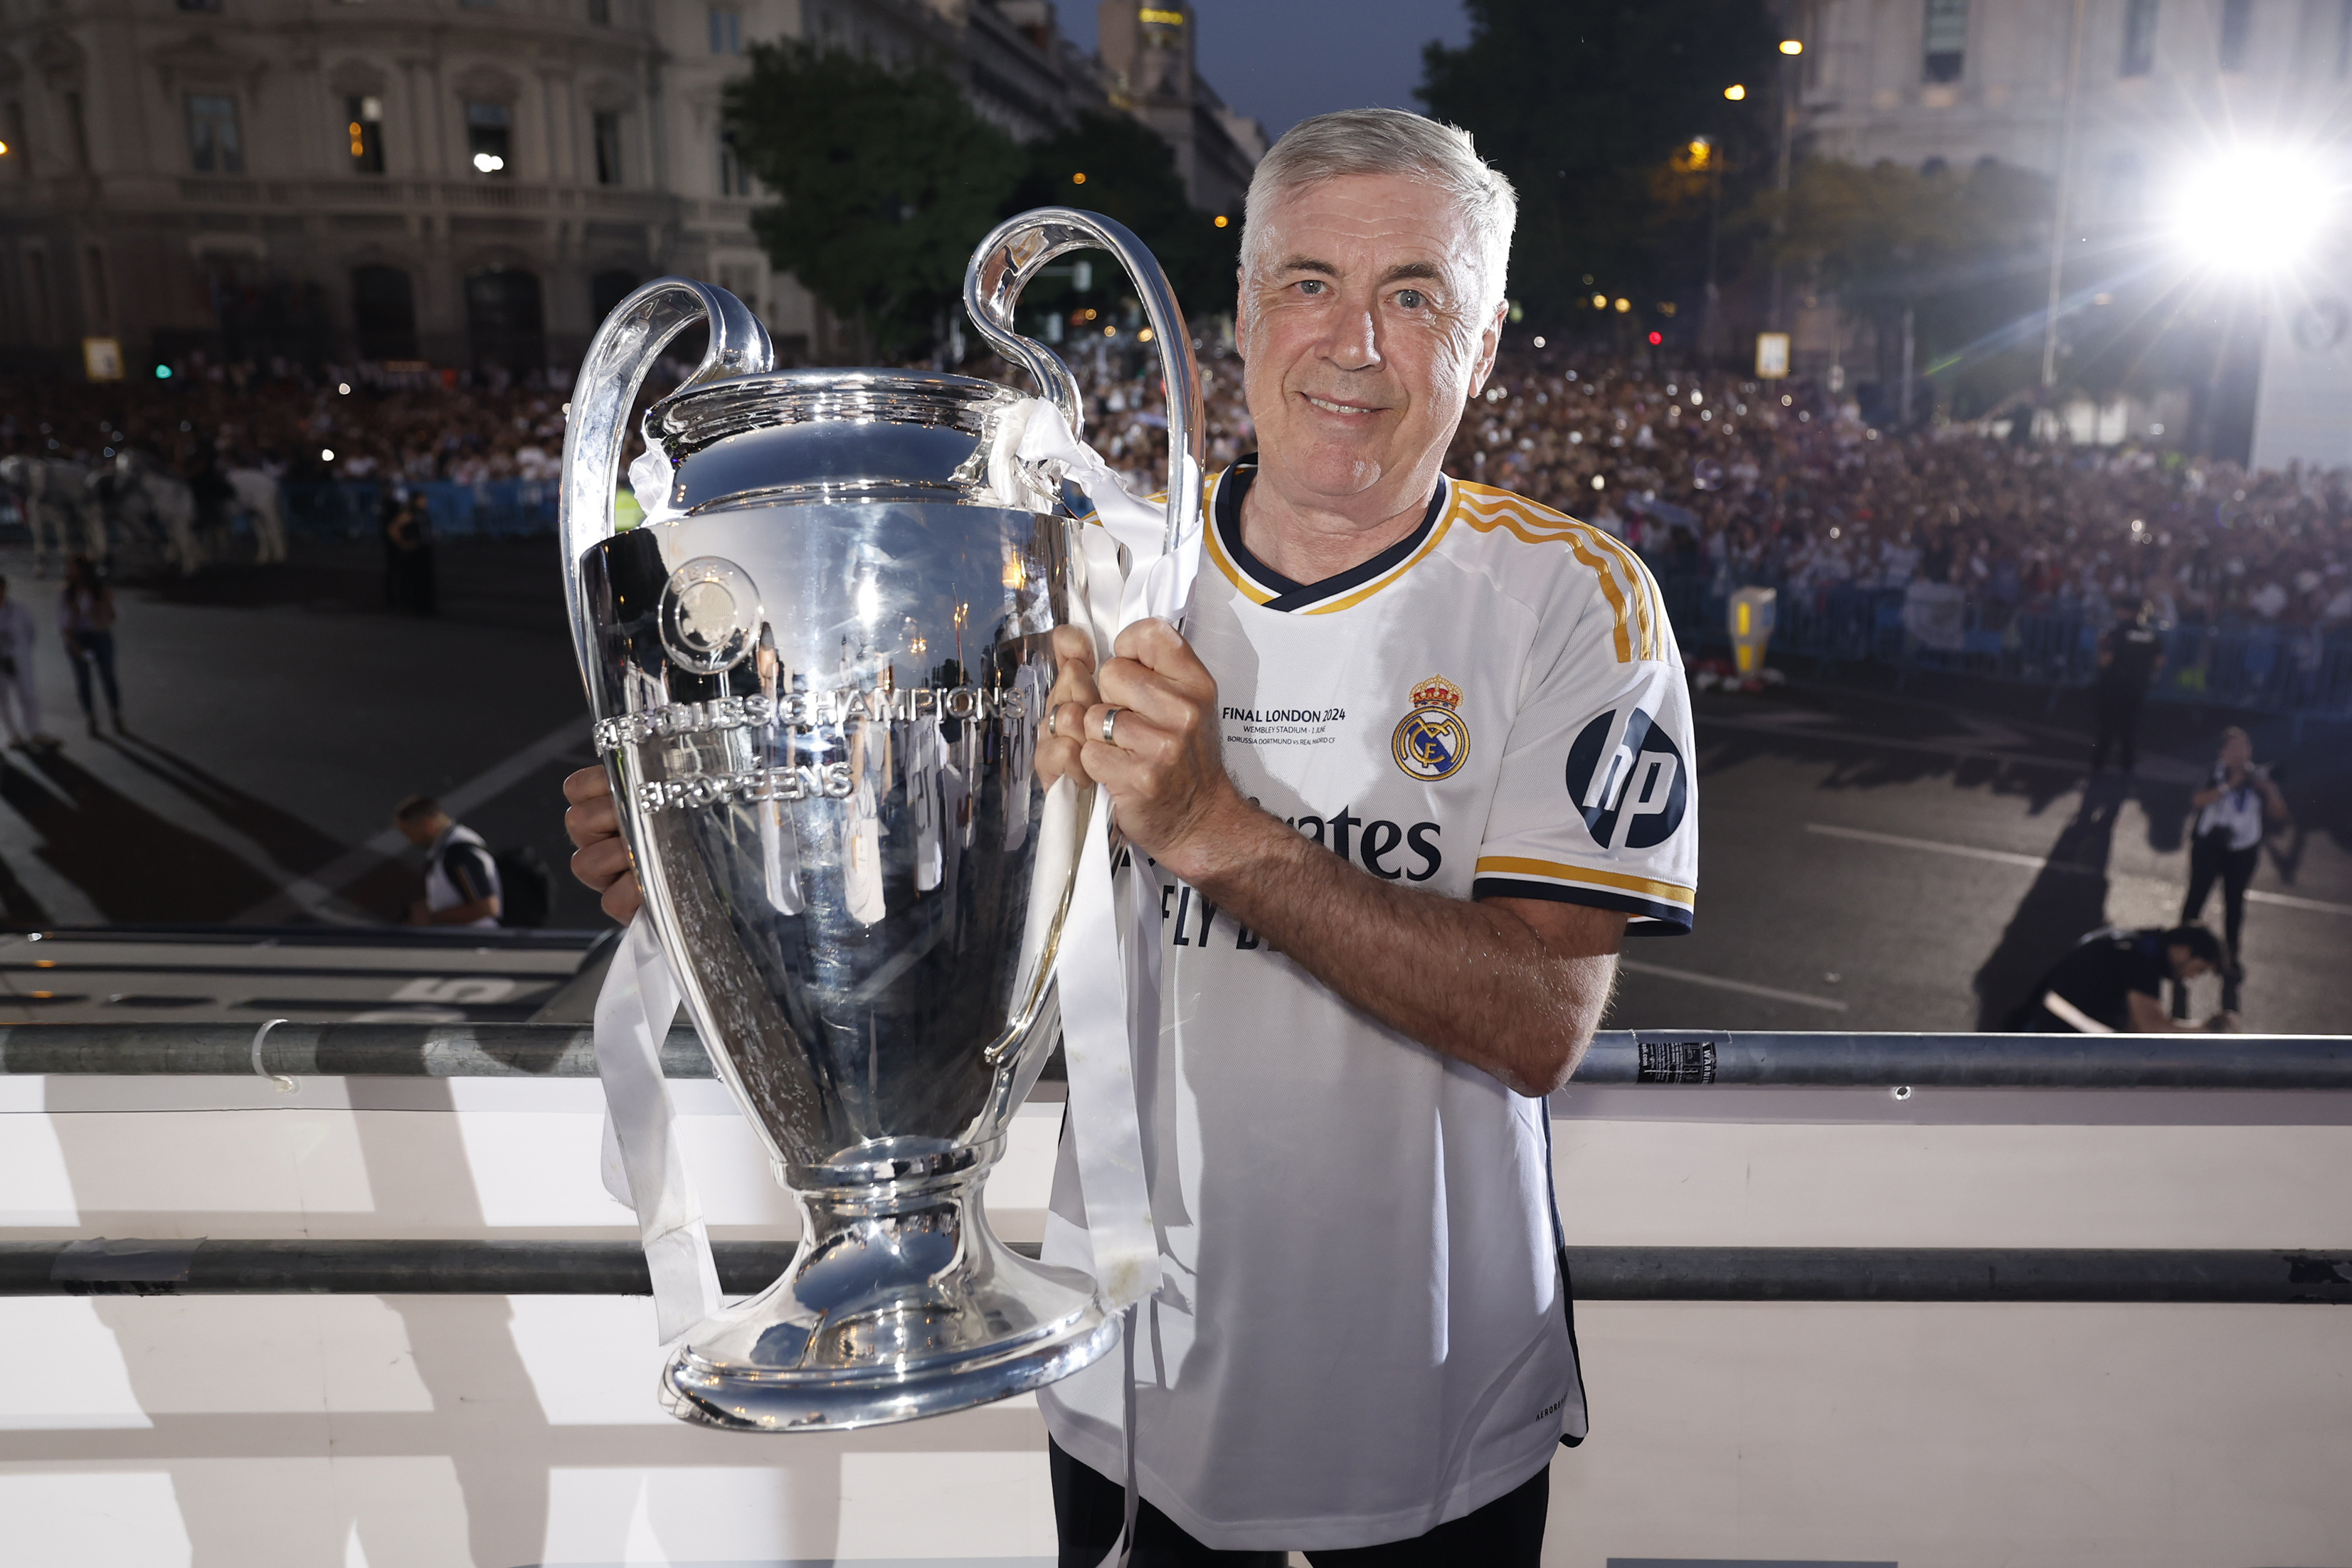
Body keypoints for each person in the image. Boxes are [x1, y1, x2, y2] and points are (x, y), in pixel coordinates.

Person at [565, 109, 1695, 1564]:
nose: (1355, 343)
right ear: (1238, 318)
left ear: (1480, 346)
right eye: (1309, 285)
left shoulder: (1575, 601)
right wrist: (716, 846)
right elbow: (922, 898)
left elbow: (1541, 1020)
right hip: (1128, 1379)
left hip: (1436, 1396)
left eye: (1416, 296)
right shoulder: (1077, 571)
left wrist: (1223, 832)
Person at [2178, 726, 2289, 1015]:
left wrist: (2271, 790)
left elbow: (2280, 814)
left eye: (2245, 748)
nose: (2240, 754)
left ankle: (2230, 957)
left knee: (2235, 903)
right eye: (2234, 748)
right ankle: (2180, 950)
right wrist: (2228, 785)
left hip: (2242, 850)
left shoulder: (2259, 779)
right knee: (2196, 897)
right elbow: (2196, 801)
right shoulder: (2213, 773)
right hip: (2209, 847)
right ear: (2223, 752)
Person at [2013, 924, 2234, 1033]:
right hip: (2055, 1039)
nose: (2192, 977)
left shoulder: (2134, 943)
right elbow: (2151, 1026)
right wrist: (2207, 1031)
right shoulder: (2141, 960)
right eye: (2199, 969)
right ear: (2183, 951)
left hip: (2042, 1027)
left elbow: (2135, 1024)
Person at [395, 795, 502, 927]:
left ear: (428, 823)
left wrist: (433, 918)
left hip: (476, 942)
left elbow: (487, 907)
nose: (411, 840)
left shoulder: (459, 853)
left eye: (409, 832)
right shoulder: (446, 850)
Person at [2090, 600, 2163, 773]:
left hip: (2113, 687)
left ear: (2123, 611)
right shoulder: (2151, 635)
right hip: (2137, 688)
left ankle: (2098, 766)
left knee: (2107, 729)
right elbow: (2159, 662)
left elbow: (2104, 661)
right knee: (2129, 729)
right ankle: (2127, 765)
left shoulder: (2115, 633)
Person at [58, 555, 122, 737]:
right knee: (84, 681)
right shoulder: (67, 594)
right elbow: (63, 624)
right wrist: (73, 643)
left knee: (108, 677)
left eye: (72, 568)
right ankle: (91, 718)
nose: (68, 572)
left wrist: (106, 604)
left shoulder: (99, 590)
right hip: (79, 638)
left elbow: (113, 617)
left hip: (100, 637)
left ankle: (115, 714)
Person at [0, 575, 56, 750]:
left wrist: (20, 652)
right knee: (3, 700)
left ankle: (34, 732)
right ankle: (14, 735)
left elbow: (31, 631)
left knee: (28, 695)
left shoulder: (18, 609)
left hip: (19, 658)